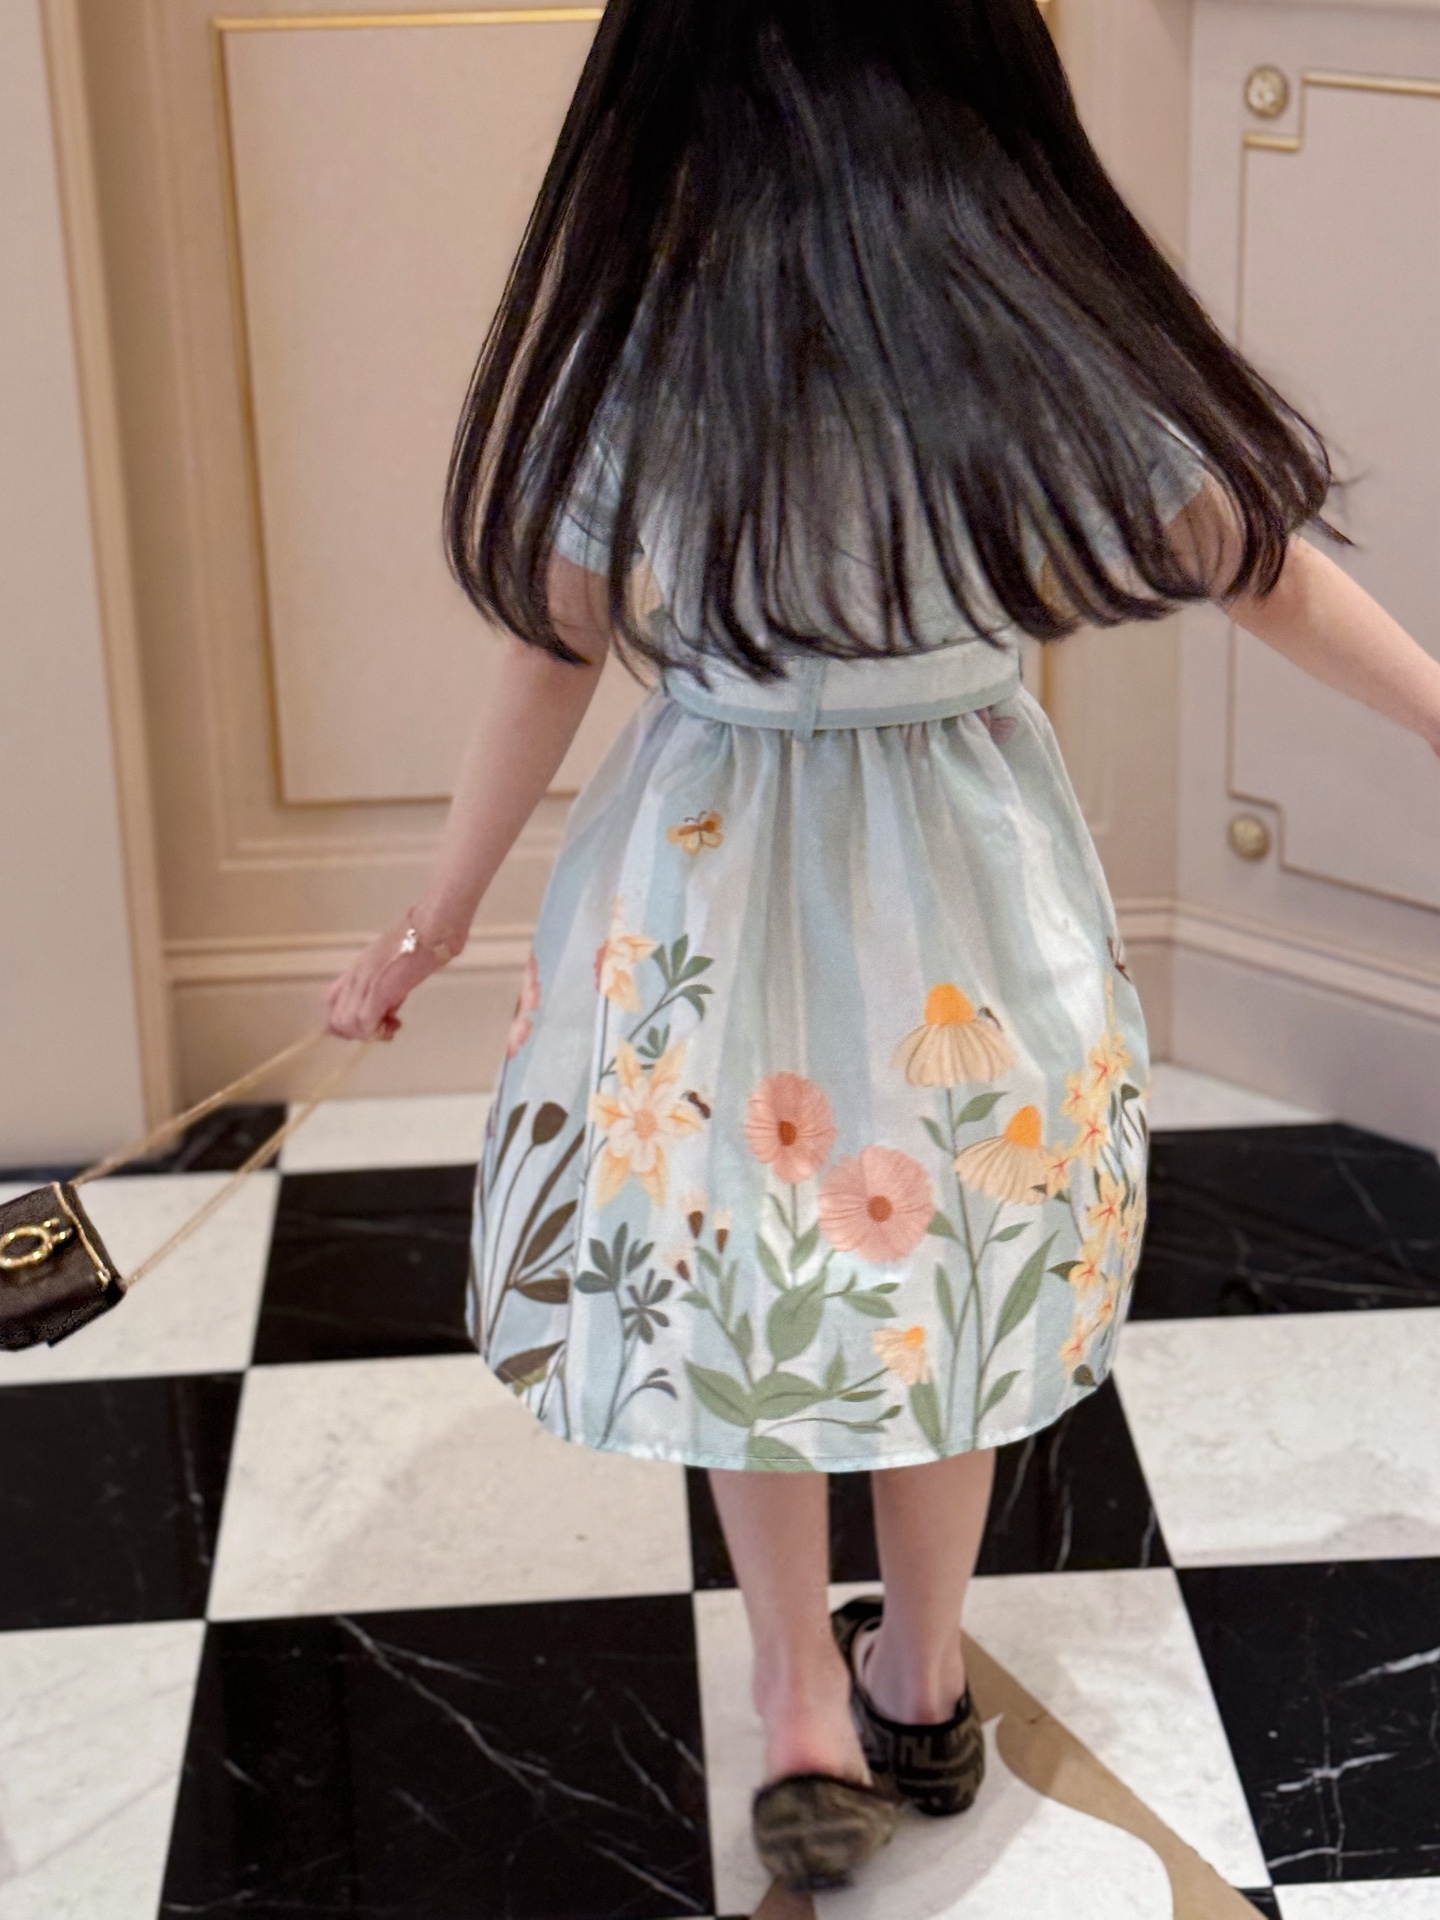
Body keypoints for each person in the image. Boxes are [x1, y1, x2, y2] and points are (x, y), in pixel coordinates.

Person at [326, 0, 1440, 1890]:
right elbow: (1258, 565)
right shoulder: (1024, 324)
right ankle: (918, 1679)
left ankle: (797, 1702)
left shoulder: (655, 338)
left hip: (713, 858)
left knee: (750, 1277)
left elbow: (552, 651)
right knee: (939, 1285)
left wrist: (433, 920)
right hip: (961, 884)